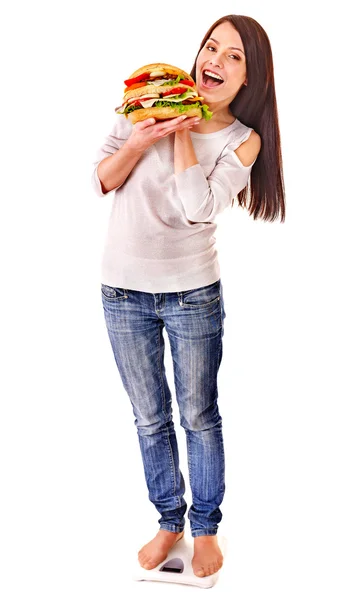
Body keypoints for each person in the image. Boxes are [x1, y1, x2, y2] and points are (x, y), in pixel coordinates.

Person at [90, 14, 285, 578]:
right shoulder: (145, 97)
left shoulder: (241, 143)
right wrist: (145, 133)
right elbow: (101, 177)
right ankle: (168, 520)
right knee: (149, 417)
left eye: (234, 57)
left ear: (250, 79)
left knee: (198, 415)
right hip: (121, 289)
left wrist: (180, 131)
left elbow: (197, 206)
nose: (215, 61)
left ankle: (205, 529)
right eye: (211, 47)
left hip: (191, 295)